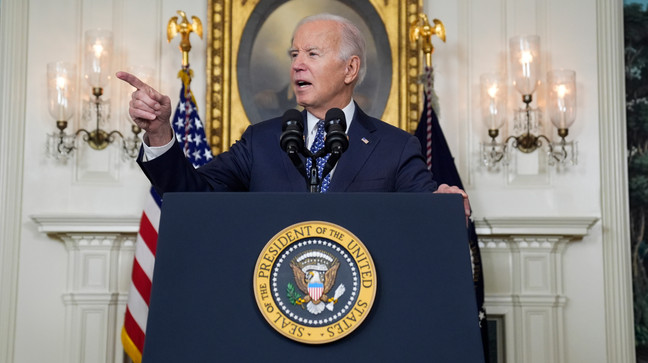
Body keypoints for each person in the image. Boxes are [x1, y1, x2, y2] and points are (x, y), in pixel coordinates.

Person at [117, 13, 471, 217]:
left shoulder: (395, 147)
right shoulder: (261, 142)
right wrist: (161, 132)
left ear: (350, 69)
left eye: (312, 54)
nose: (297, 64)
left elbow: (428, 214)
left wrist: (445, 207)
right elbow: (190, 195)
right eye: (293, 54)